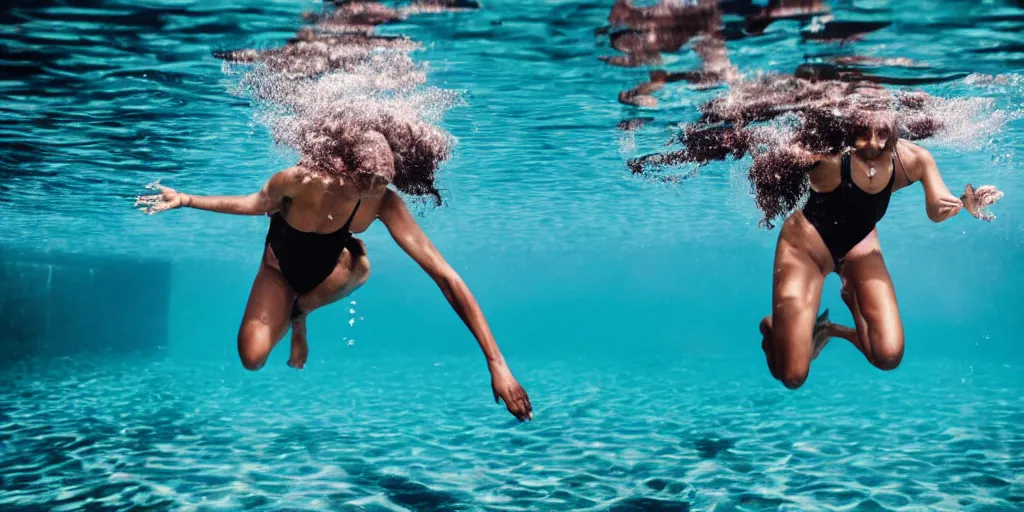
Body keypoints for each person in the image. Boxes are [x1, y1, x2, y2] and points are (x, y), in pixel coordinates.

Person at [135, 112, 533, 422]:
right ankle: (297, 317)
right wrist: (185, 199)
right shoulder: (300, 180)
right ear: (344, 169)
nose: (378, 191)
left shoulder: (385, 202)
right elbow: (253, 204)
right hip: (278, 270)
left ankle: (300, 311)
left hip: (333, 273)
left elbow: (446, 277)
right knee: (252, 358)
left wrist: (497, 363)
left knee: (361, 267)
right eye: (369, 182)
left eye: (385, 182)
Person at [625, 75, 1003, 388]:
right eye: (862, 132)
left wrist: (964, 204)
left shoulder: (915, 160)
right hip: (806, 247)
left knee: (887, 355)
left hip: (860, 248)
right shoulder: (827, 158)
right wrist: (673, 153)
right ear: (848, 128)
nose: (872, 142)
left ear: (894, 127)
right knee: (792, 374)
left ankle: (830, 330)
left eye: (881, 132)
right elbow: (753, 144)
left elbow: (937, 210)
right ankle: (776, 328)